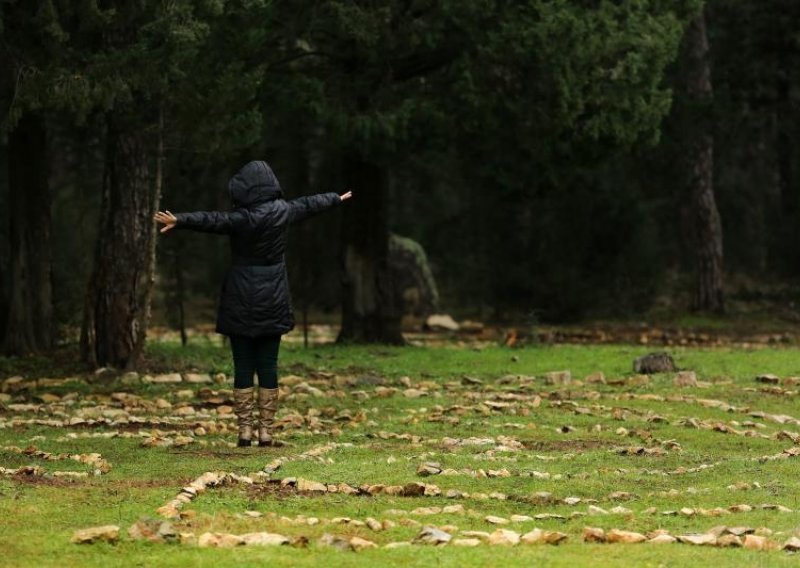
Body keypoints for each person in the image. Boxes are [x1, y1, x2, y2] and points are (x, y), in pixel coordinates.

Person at [154, 160, 352, 447]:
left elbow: (212, 220)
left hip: (240, 296)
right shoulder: (284, 212)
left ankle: (244, 431)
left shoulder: (241, 219)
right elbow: (309, 204)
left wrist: (180, 219)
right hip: (273, 297)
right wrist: (335, 198)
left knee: (243, 364)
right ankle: (266, 431)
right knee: (269, 364)